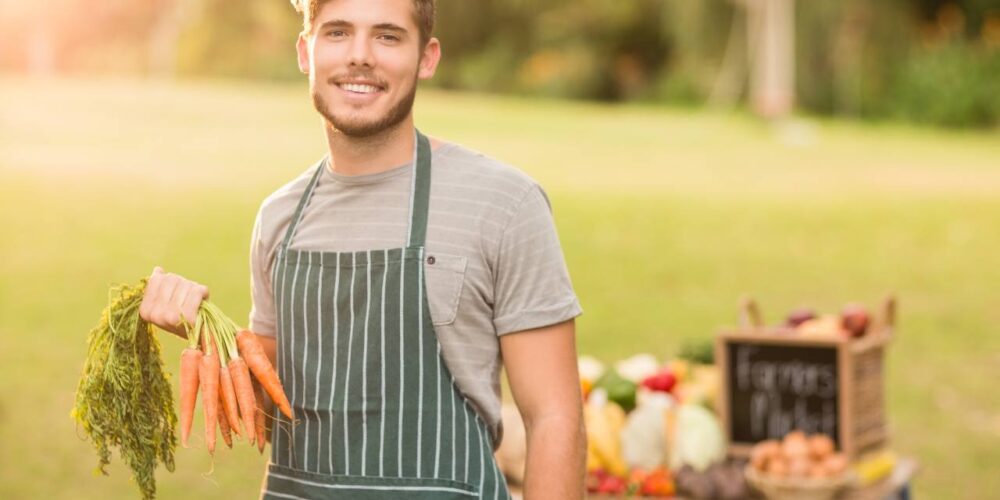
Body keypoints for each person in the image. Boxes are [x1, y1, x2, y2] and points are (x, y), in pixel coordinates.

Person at [138, 0, 585, 498]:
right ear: (306, 52)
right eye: (337, 33)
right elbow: (273, 410)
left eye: (388, 36)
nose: (360, 55)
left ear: (427, 57)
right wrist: (202, 331)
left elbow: (554, 418)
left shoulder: (504, 203)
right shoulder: (281, 217)